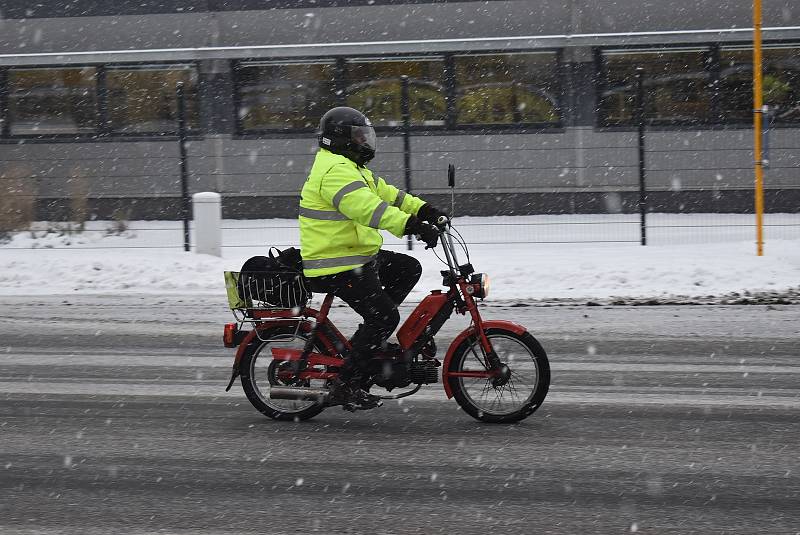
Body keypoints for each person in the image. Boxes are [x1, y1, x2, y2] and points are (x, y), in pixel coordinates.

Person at [299, 106, 446, 411]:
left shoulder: (351, 167)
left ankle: (368, 343)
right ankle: (346, 384)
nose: (365, 141)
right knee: (385, 316)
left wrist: (424, 210)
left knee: (408, 268)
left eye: (366, 135)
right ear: (340, 138)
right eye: (359, 136)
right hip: (334, 263)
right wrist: (411, 226)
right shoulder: (333, 171)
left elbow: (390, 195)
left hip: (355, 257)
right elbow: (369, 209)